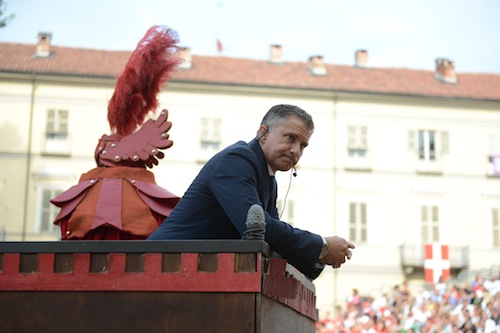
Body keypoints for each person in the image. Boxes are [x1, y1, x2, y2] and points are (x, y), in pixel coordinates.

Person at [148, 104, 355, 279]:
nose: (296, 151)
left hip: (190, 270)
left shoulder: (267, 177)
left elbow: (273, 241)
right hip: (158, 267)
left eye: (303, 146)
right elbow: (258, 226)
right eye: (290, 138)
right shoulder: (237, 160)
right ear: (262, 133)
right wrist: (321, 246)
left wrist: (320, 256)